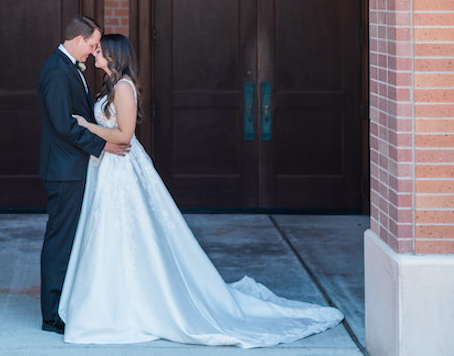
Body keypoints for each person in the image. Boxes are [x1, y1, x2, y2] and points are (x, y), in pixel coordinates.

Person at [58, 33, 345, 347]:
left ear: (115, 55)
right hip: (108, 170)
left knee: (128, 233)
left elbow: (124, 135)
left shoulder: (124, 87)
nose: (95, 54)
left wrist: (86, 126)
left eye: (100, 50)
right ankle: (107, 303)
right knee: (108, 234)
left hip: (122, 169)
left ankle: (128, 306)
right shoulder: (112, 86)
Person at [37, 16, 129, 335]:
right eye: (91, 45)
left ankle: (65, 303)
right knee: (60, 240)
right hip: (64, 171)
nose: (93, 52)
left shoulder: (68, 68)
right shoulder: (56, 72)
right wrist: (102, 146)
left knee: (69, 239)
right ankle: (52, 315)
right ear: (77, 40)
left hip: (73, 168)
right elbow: (64, 124)